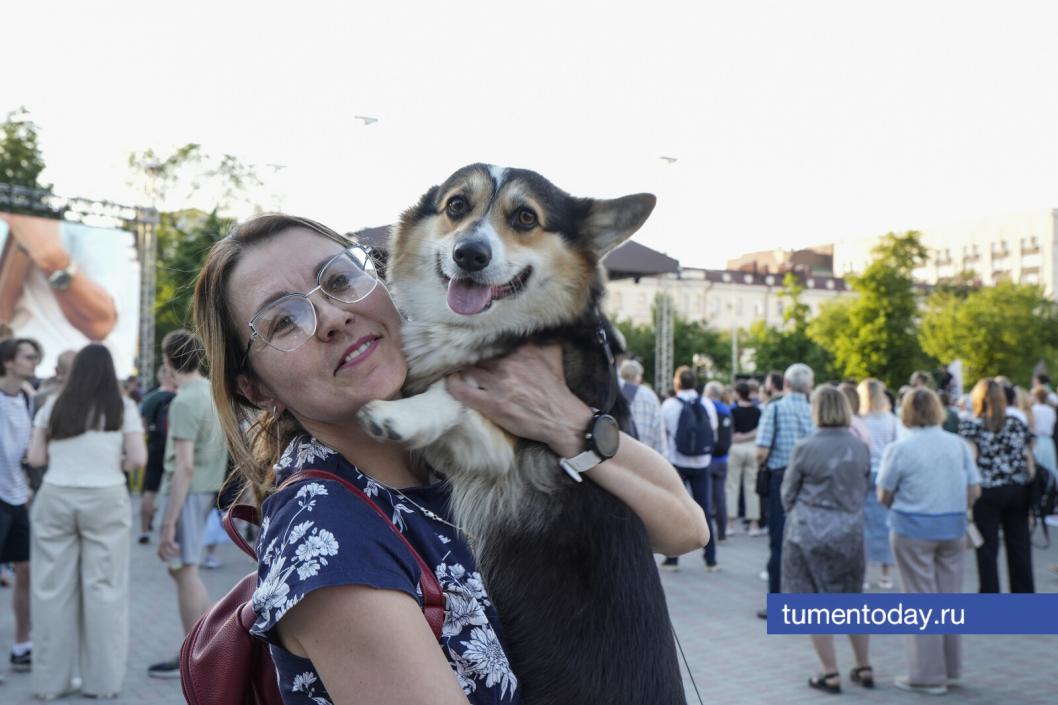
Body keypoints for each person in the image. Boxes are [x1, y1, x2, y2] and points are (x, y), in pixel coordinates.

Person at [192, 214, 708, 704]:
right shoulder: (330, 539)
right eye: (284, 321)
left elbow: (685, 529)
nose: (331, 316)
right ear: (256, 389)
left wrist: (564, 423)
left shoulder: (461, 431)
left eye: (339, 279)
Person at [25, 344, 146, 698]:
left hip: (56, 495)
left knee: (50, 590)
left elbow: (34, 458)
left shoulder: (53, 405)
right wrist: (113, 463)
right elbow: (138, 457)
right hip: (106, 497)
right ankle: (102, 684)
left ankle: (50, 684)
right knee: (105, 590)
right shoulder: (123, 406)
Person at [877, 388, 981, 696]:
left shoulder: (900, 448)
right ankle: (951, 669)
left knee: (920, 603)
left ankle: (927, 675)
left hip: (912, 529)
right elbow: (975, 490)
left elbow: (883, 494)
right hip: (952, 528)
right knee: (949, 599)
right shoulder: (958, 445)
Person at [147, 330, 230, 678]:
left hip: (186, 492)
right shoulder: (211, 392)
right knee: (185, 570)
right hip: (204, 491)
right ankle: (211, 648)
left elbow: (183, 465)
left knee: (185, 571)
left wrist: (168, 522)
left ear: (168, 361)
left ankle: (195, 656)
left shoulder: (183, 401)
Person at [781, 385, 871, 694]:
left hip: (808, 532)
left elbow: (787, 493)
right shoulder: (860, 447)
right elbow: (864, 487)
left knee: (813, 603)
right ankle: (863, 665)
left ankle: (829, 672)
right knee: (852, 600)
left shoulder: (805, 447)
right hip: (850, 530)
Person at [0, 214, 139, 378]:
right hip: (24, 376)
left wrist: (52, 260)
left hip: (90, 379)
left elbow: (100, 324)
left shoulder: (97, 223)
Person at [959, 379, 1036, 593]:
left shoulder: (971, 424)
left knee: (987, 549)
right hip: (1017, 489)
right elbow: (1028, 457)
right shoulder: (1016, 423)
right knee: (1019, 546)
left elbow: (970, 460)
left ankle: (990, 595)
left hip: (987, 490)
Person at [755, 362, 815, 618]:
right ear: (809, 386)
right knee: (807, 540)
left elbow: (761, 451)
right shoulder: (815, 410)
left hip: (781, 477)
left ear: (786, 384)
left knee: (779, 541)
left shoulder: (775, 409)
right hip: (812, 482)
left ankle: (778, 605)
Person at [0, 336, 40, 674]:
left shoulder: (27, 399)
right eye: (28, 357)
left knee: (25, 571)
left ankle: (21, 645)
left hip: (17, 498)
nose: (35, 363)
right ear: (9, 361)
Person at [659, 367, 719, 571]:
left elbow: (663, 434)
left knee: (674, 511)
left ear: (677, 384)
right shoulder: (707, 403)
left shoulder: (668, 405)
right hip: (702, 463)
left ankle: (673, 559)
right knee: (704, 509)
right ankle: (711, 559)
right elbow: (714, 430)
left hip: (677, 463)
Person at [857, 378, 898, 590]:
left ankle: (862, 574)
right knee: (885, 523)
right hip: (885, 473)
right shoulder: (890, 419)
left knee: (862, 525)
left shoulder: (859, 419)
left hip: (863, 472)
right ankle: (886, 575)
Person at [138, 364, 177, 544]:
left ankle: (145, 530)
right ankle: (171, 529)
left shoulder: (150, 398)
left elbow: (142, 428)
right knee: (174, 489)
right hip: (175, 449)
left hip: (153, 447)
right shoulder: (179, 397)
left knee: (149, 490)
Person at [726, 381, 763, 537]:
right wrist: (749, 436)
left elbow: (731, 433)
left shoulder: (731, 410)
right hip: (753, 448)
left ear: (737, 393)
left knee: (732, 486)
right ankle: (754, 525)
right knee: (752, 487)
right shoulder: (757, 411)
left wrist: (738, 438)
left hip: (735, 449)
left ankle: (730, 524)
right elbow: (759, 431)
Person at [618, 359, 666, 457]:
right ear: (638, 377)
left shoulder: (611, 394)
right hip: (643, 461)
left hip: (615, 461)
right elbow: (660, 442)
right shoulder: (649, 396)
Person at [704, 381, 732, 541]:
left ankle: (707, 536)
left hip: (708, 459)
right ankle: (722, 533)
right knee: (720, 497)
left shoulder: (707, 408)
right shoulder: (726, 410)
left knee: (706, 498)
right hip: (723, 460)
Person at [1030, 386, 1057, 475]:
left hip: (1037, 441)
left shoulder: (1033, 410)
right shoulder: (1051, 410)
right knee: (1050, 468)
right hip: (1048, 442)